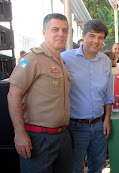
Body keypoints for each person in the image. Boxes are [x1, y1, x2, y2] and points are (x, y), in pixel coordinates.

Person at [7, 13, 72, 173]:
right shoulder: (32, 59)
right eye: (55, 29)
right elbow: (13, 94)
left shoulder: (61, 62)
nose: (61, 34)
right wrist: (19, 133)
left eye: (65, 30)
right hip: (38, 138)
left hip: (63, 136)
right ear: (44, 32)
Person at [61, 19, 114, 173]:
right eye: (92, 36)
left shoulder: (105, 61)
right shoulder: (65, 59)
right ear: (83, 35)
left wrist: (107, 120)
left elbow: (108, 94)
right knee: (74, 168)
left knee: (97, 167)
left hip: (99, 126)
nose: (96, 41)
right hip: (74, 126)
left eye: (100, 37)